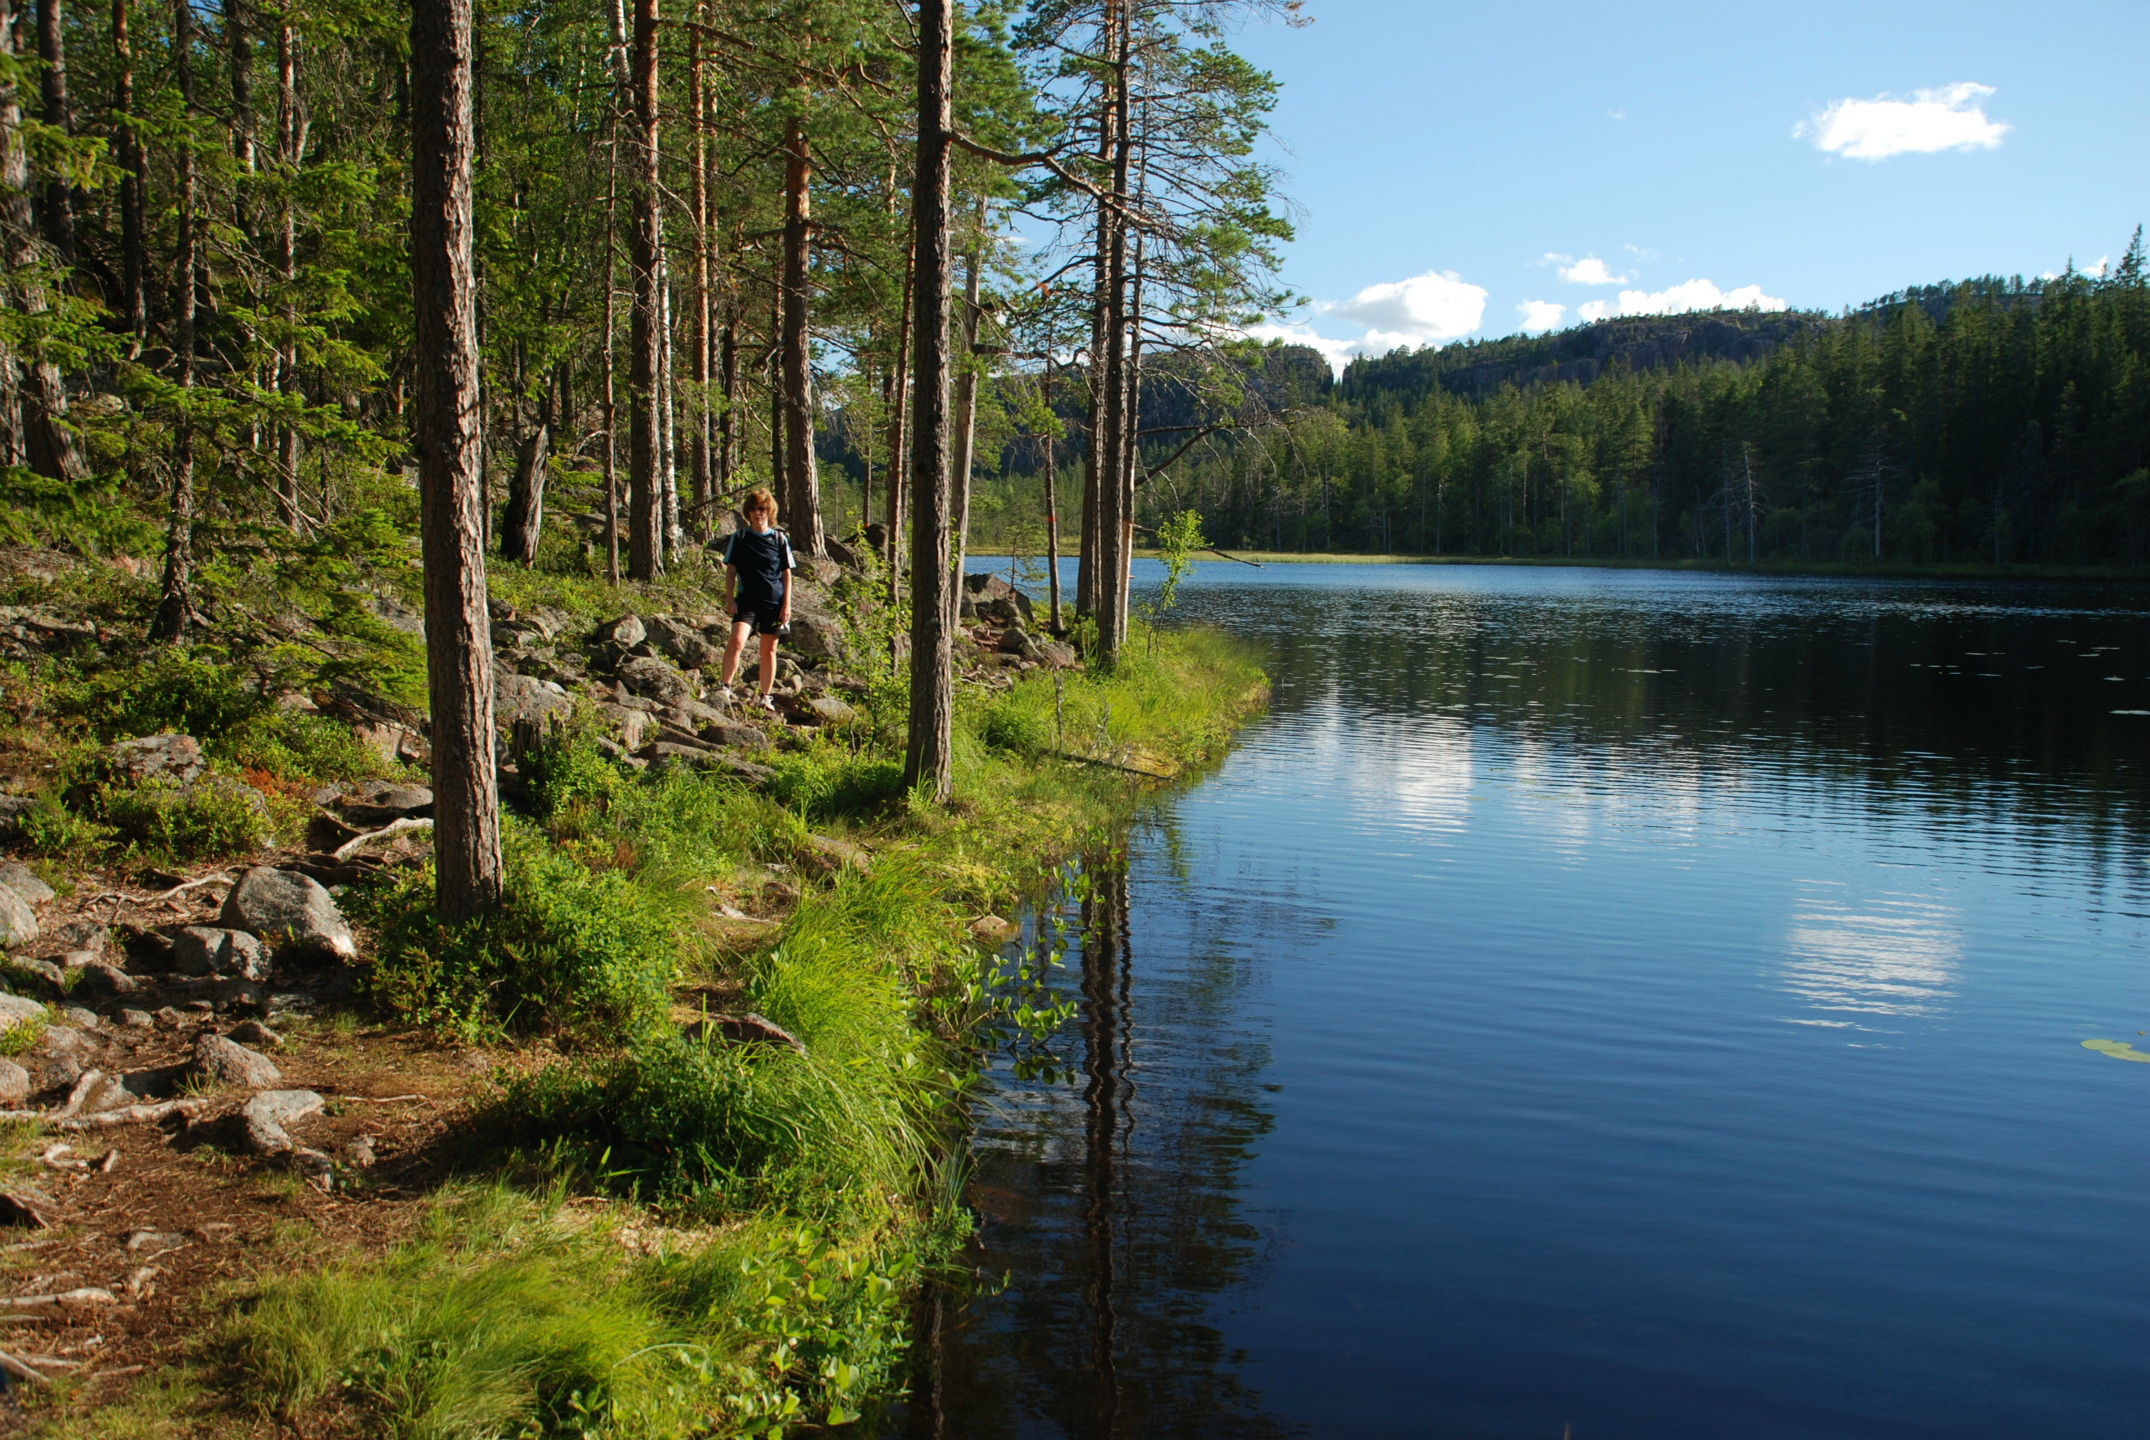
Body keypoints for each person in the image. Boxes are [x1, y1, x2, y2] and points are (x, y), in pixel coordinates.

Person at [716, 488, 794, 710]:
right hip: (747, 601)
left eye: (762, 508)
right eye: (753, 508)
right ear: (747, 512)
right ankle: (725, 686)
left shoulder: (779, 539)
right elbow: (731, 570)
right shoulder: (740, 538)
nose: (758, 512)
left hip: (774, 603)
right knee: (737, 640)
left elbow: (787, 573)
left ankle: (765, 696)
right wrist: (729, 598)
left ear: (769, 511)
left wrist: (787, 605)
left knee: (768, 650)